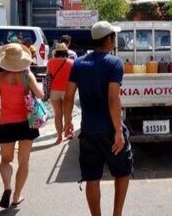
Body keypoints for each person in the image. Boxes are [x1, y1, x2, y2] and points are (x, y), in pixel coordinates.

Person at [63, 21, 133, 216]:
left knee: (92, 177)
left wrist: (67, 122)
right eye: (114, 37)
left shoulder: (78, 63)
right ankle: (116, 214)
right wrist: (118, 131)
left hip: (88, 131)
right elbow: (113, 99)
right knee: (123, 172)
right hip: (110, 131)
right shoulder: (115, 63)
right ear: (109, 39)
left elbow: (68, 97)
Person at [0, 44, 44, 208]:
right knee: (24, 161)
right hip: (27, 122)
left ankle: (7, 187)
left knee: (6, 160)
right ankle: (17, 196)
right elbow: (40, 95)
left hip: (7, 123)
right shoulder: (27, 75)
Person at [47, 43, 74, 144]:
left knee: (58, 114)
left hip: (54, 90)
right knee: (68, 113)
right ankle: (68, 132)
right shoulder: (71, 62)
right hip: (67, 90)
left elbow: (48, 75)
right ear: (66, 52)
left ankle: (59, 136)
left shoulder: (50, 62)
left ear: (56, 52)